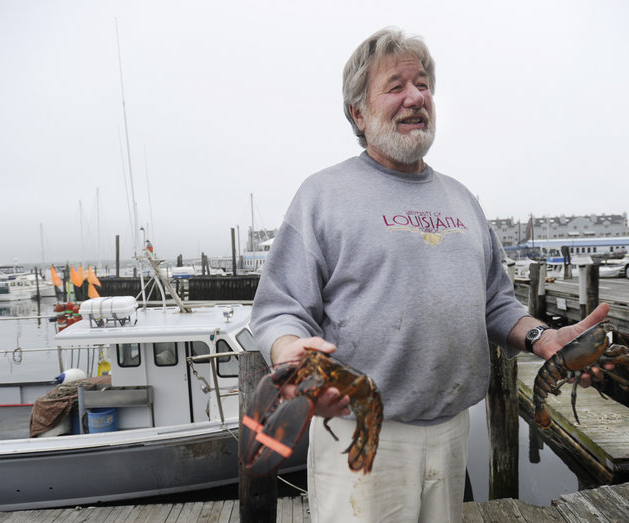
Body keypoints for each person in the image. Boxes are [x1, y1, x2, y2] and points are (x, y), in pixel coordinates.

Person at [250, 27, 609, 522]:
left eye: (423, 85)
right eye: (395, 86)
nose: (416, 97)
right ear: (358, 111)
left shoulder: (461, 199)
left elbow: (496, 302)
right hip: (361, 432)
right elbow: (279, 308)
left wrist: (544, 338)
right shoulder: (323, 195)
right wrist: (289, 348)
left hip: (453, 428)